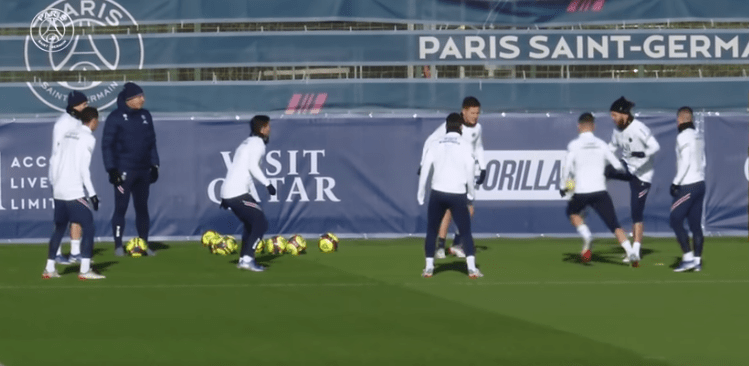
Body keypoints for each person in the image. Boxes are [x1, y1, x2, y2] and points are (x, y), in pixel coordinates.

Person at [561, 113, 639, 266]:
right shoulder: (602, 144)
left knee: (572, 213)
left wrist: (564, 186)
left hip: (581, 191)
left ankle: (587, 236)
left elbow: (567, 169)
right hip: (600, 191)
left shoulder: (574, 146)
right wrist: (610, 172)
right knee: (614, 224)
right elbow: (617, 166)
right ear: (593, 127)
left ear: (579, 126)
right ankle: (630, 252)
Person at [419, 96, 486, 259]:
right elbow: (430, 141)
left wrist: (483, 168)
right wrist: (423, 163)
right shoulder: (450, 126)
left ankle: (452, 244)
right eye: (472, 113)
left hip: (465, 174)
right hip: (449, 174)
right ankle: (444, 246)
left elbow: (478, 148)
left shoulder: (478, 128)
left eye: (477, 113)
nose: (475, 116)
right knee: (454, 211)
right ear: (464, 112)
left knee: (466, 211)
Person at [44, 107, 104, 279]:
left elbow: (55, 158)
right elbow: (83, 169)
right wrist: (92, 194)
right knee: (89, 227)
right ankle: (85, 270)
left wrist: (55, 185)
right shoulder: (88, 139)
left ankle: (49, 269)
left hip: (59, 190)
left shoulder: (67, 134)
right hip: (74, 191)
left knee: (59, 228)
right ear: (93, 121)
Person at [101, 82, 160, 256]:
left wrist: (155, 165)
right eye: (139, 96)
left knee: (142, 208)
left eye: (143, 96)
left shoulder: (145, 116)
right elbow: (107, 145)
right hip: (124, 171)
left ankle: (143, 243)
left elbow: (152, 142)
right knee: (121, 208)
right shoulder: (116, 117)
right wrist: (112, 170)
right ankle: (118, 245)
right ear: (129, 99)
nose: (143, 99)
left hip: (143, 170)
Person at [606, 96, 660, 264]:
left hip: (642, 175)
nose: (613, 119)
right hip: (627, 167)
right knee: (604, 171)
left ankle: (635, 250)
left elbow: (655, 146)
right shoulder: (617, 131)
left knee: (636, 212)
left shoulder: (639, 128)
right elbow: (611, 148)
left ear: (624, 114)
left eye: (615, 115)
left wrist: (643, 154)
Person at [220, 115, 276, 272]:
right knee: (261, 223)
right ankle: (248, 260)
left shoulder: (246, 143)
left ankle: (244, 258)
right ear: (262, 128)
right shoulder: (258, 144)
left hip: (232, 192)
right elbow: (253, 167)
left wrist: (226, 196)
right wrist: (268, 184)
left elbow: (243, 172)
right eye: (268, 126)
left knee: (250, 224)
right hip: (237, 193)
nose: (270, 129)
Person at [48, 91, 88, 264]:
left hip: (75, 177)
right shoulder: (62, 123)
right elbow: (57, 153)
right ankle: (56, 253)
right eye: (83, 104)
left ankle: (75, 252)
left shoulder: (79, 122)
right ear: (76, 105)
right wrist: (56, 178)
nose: (86, 107)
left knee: (77, 215)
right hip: (61, 178)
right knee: (61, 219)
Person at [670, 107, 706, 272]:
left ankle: (688, 258)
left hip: (689, 185)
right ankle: (697, 261)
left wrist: (676, 182)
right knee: (695, 224)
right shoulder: (698, 135)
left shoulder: (683, 136)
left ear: (682, 119)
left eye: (678, 119)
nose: (677, 122)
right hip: (700, 183)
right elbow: (703, 161)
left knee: (675, 219)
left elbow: (685, 161)